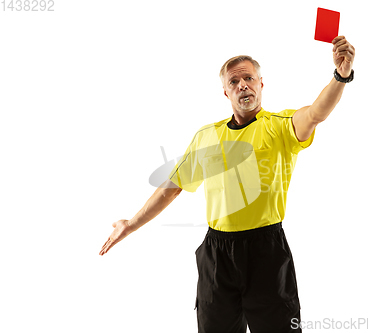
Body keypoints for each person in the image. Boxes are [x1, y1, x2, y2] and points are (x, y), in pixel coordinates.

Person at [99, 36, 355, 333]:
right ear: (226, 92)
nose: (243, 85)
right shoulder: (207, 136)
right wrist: (130, 224)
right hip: (217, 254)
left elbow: (316, 113)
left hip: (266, 251)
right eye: (234, 81)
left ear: (261, 84)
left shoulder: (281, 126)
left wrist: (341, 75)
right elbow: (172, 187)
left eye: (249, 78)